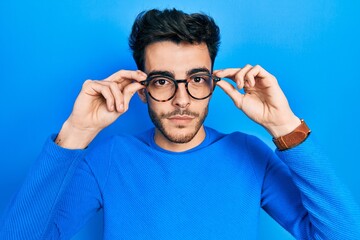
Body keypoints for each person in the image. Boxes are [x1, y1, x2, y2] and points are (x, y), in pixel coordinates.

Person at [0, 8, 359, 240]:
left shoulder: (248, 154)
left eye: (197, 79)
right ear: (141, 90)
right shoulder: (109, 158)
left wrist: (285, 126)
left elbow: (343, 234)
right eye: (162, 81)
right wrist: (75, 133)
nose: (181, 99)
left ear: (213, 83)